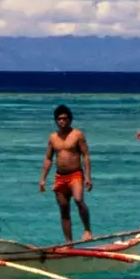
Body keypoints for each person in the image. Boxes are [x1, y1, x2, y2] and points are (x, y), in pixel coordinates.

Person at [39, 103, 92, 241]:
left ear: (70, 119)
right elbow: (48, 158)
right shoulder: (53, 138)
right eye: (59, 119)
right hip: (60, 177)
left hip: (76, 174)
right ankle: (69, 242)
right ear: (56, 121)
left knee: (79, 200)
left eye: (65, 118)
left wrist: (88, 177)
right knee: (64, 209)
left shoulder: (77, 135)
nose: (62, 121)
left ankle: (87, 230)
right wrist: (43, 179)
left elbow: (85, 155)